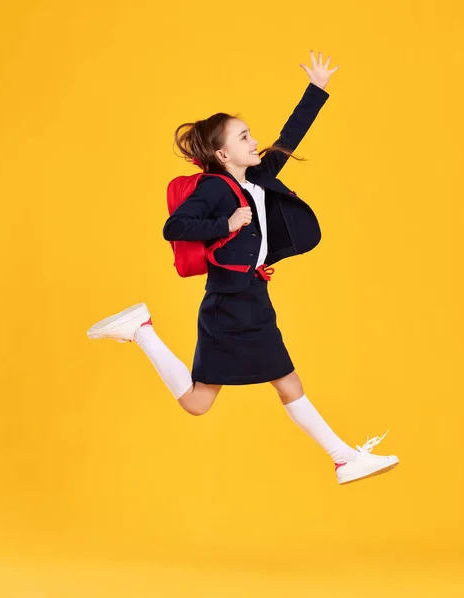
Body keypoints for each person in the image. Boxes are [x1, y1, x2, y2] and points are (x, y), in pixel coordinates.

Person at [87, 51, 399, 485]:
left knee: (206, 401)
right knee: (283, 385)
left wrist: (318, 89)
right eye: (245, 137)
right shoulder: (216, 188)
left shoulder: (255, 177)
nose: (255, 143)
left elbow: (289, 139)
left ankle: (141, 330)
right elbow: (174, 226)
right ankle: (344, 459)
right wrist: (226, 222)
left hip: (246, 296)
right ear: (222, 152)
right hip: (233, 304)